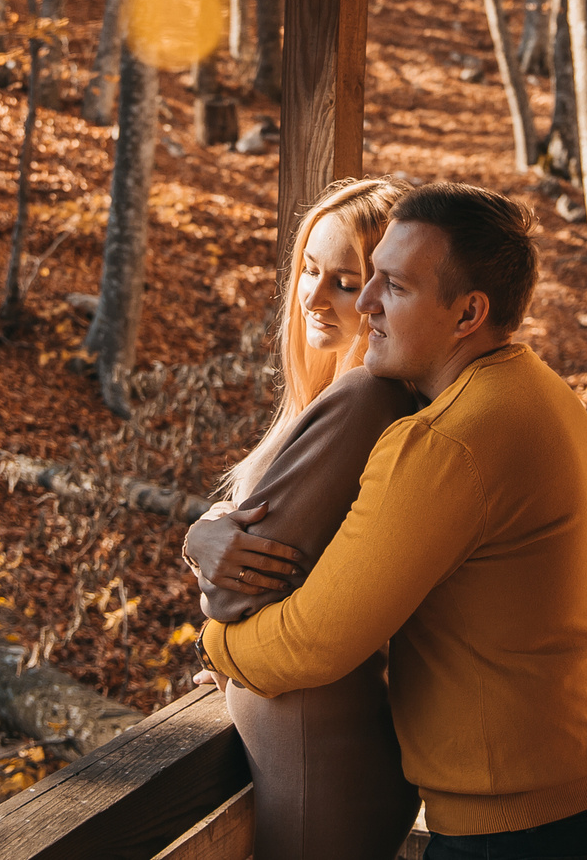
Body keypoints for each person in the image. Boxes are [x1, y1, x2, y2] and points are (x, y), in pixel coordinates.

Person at [203, 182, 587, 860]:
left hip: (530, 836)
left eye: (391, 284)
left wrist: (217, 644)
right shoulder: (538, 391)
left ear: (468, 312)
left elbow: (314, 641)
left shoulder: (449, 442)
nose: (364, 304)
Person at [182, 176, 423, 860]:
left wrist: (206, 551)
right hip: (319, 751)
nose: (314, 296)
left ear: (384, 294)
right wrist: (204, 533)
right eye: (309, 270)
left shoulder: (362, 400)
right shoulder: (339, 398)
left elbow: (234, 590)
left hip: (321, 766)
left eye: (346, 281)